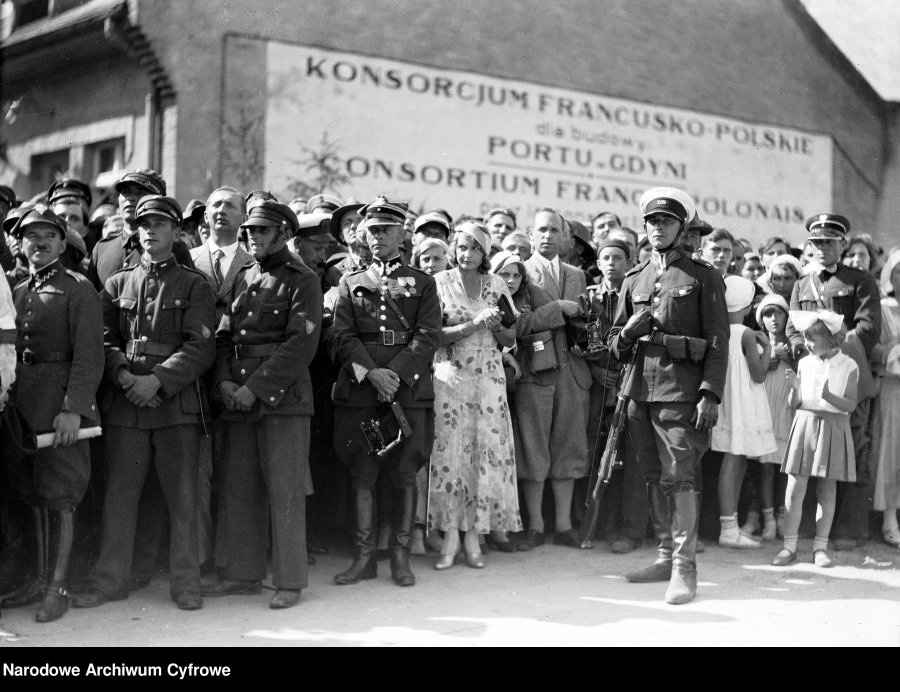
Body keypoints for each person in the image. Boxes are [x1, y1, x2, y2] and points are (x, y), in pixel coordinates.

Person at [73, 195, 216, 612]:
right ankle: (109, 580)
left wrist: (156, 380)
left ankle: (186, 583)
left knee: (183, 501)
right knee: (119, 497)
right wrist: (122, 376)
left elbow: (200, 347)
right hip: (126, 405)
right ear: (135, 231)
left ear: (176, 231)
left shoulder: (194, 284)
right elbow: (103, 339)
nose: (150, 230)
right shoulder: (117, 283)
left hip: (174, 408)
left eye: (159, 223)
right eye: (143, 224)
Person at [609, 186, 729, 605]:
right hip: (639, 390)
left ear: (682, 229)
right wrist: (626, 333)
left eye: (666, 222)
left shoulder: (703, 276)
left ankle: (685, 569)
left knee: (680, 475)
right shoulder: (634, 276)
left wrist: (710, 394)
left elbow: (717, 342)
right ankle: (664, 555)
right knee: (651, 474)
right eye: (652, 222)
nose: (658, 228)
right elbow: (613, 344)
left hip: (681, 392)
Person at [205, 200, 322, 609]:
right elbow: (223, 334)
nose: (253, 236)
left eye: (262, 231)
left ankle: (290, 581)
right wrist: (221, 379)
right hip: (236, 394)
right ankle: (242, 575)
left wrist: (253, 388)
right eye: (250, 231)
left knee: (285, 490)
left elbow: (300, 345)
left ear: (284, 235)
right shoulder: (242, 275)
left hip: (280, 397)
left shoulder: (302, 279)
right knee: (239, 487)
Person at [331, 196, 441, 588]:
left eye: (385, 230)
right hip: (363, 390)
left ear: (402, 234)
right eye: (372, 230)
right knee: (363, 473)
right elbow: (341, 337)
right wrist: (372, 374)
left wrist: (393, 375)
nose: (377, 236)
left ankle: (400, 558)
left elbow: (428, 336)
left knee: (404, 472)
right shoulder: (351, 282)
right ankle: (364, 559)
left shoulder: (423, 282)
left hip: (407, 390)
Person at [0, 206, 103, 623]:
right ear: (19, 245)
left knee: (62, 497)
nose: (37, 242)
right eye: (28, 236)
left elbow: (89, 357)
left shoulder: (79, 289)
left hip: (60, 410)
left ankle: (57, 586)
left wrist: (73, 411)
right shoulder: (18, 291)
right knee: (31, 492)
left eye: (47, 235)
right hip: (24, 411)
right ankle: (37, 579)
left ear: (63, 242)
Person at [426, 222, 521, 569]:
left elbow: (511, 339)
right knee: (451, 453)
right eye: (462, 247)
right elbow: (432, 335)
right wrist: (474, 324)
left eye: (475, 249)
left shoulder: (496, 284)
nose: (467, 255)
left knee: (483, 454)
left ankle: (473, 536)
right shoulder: (440, 282)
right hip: (451, 376)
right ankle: (450, 535)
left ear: (485, 253)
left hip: (489, 378)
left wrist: (496, 326)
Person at [787, 213, 881, 551]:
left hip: (844, 375)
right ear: (809, 246)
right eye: (817, 242)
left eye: (829, 242)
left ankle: (849, 529)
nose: (823, 248)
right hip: (810, 379)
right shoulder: (802, 283)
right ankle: (810, 533)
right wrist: (809, 355)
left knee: (852, 448)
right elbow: (791, 330)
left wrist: (832, 353)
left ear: (842, 244)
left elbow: (869, 328)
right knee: (811, 452)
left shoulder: (860, 280)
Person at [517, 207, 592, 550]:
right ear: (531, 235)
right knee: (533, 449)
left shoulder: (577, 275)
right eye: (541, 230)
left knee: (569, 448)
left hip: (572, 372)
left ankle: (563, 525)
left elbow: (586, 322)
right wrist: (557, 309)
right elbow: (516, 324)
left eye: (554, 231)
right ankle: (536, 524)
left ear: (565, 238)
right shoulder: (519, 272)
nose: (547, 236)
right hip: (535, 371)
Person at [188, 186, 254, 578]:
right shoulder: (187, 258)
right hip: (193, 379)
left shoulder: (254, 262)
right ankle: (199, 558)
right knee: (196, 470)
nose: (221, 211)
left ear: (243, 217)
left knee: (235, 471)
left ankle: (233, 559)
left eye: (230, 205)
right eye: (214, 205)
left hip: (235, 376)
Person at [773, 310, 859, 568]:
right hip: (805, 423)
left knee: (826, 489)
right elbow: (795, 403)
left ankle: (820, 548)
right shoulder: (805, 363)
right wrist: (795, 390)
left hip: (834, 426)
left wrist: (830, 396)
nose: (807, 343)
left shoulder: (849, 365)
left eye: (812, 338)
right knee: (795, 487)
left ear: (831, 339)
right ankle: (789, 546)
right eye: (806, 337)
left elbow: (851, 404)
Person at [583, 239, 648, 553]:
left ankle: (629, 528)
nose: (612, 263)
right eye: (606, 257)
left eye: (619, 257)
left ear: (630, 261)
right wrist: (599, 371)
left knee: (629, 457)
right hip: (598, 382)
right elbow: (591, 337)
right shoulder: (590, 296)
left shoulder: (637, 292)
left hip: (631, 380)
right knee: (597, 454)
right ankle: (595, 523)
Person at [711, 276, 776, 549]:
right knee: (734, 461)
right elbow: (759, 374)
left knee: (735, 460)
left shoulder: (718, 327)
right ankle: (728, 529)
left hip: (726, 400)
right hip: (741, 402)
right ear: (747, 305)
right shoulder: (747, 334)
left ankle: (732, 526)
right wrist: (768, 347)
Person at [87, 169, 194, 292]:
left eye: (140, 193)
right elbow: (90, 302)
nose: (130, 198)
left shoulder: (174, 247)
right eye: (125, 192)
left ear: (158, 202)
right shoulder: (101, 248)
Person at [741, 294, 795, 540]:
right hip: (764, 411)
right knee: (763, 468)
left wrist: (788, 356)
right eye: (767, 314)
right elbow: (752, 374)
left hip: (786, 409)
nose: (774, 319)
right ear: (761, 319)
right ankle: (768, 520)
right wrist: (771, 356)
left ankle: (782, 518)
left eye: (779, 313)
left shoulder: (795, 345)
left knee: (784, 466)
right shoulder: (759, 343)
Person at [870, 250, 900, 547]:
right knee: (892, 451)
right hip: (893, 388)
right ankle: (890, 517)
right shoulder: (883, 308)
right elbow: (876, 354)